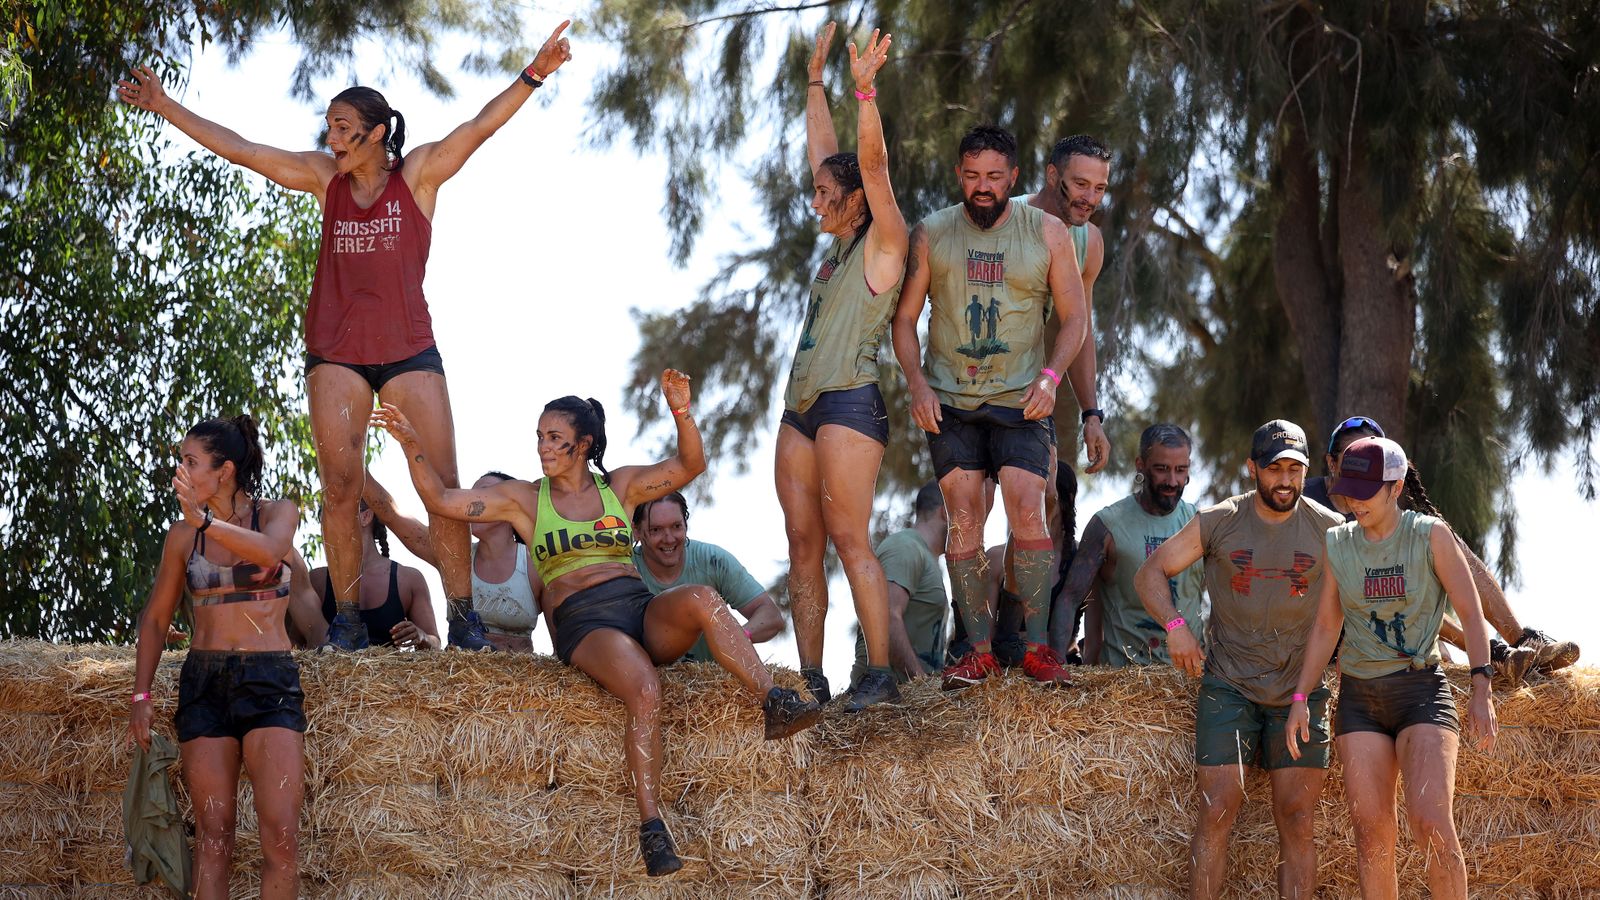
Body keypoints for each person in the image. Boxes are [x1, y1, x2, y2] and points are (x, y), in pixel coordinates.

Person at [117, 21, 576, 651]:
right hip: (337, 353)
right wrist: (166, 106)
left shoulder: (416, 177)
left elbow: (478, 127)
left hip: (410, 348)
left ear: (376, 133)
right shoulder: (323, 180)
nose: (330, 139)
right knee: (339, 483)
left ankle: (464, 613)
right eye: (328, 127)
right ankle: (351, 619)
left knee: (440, 485)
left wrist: (534, 73)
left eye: (342, 128)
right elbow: (244, 149)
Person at [370, 370, 821, 877]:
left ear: (583, 445)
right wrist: (411, 444)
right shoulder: (524, 499)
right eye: (539, 436)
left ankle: (773, 700)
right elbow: (442, 502)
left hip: (635, 605)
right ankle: (652, 827)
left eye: (554, 438)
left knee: (701, 598)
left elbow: (691, 463)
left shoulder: (621, 487)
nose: (543, 446)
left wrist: (681, 412)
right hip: (584, 622)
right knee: (645, 688)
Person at [893, 124, 1090, 689]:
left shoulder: (1048, 232)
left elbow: (1075, 318)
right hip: (951, 399)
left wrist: (1053, 378)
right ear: (959, 174)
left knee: (1028, 504)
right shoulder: (932, 233)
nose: (983, 188)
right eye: (973, 176)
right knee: (963, 512)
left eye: (994, 177)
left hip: (1022, 398)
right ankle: (976, 649)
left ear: (1015, 179)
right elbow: (905, 321)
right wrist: (917, 385)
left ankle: (1036, 649)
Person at [1135, 420, 1344, 900]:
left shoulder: (1331, 530)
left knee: (1297, 818)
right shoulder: (1220, 520)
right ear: (1253, 469)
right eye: (1274, 469)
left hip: (1302, 688)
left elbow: (1360, 602)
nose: (1286, 481)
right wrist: (1175, 625)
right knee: (1216, 809)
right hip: (1230, 686)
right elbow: (1150, 573)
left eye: (1296, 469)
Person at [1287, 436, 1498, 898]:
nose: (1353, 500)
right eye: (1348, 488)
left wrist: (1481, 686)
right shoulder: (1338, 542)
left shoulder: (1430, 536)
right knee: (1372, 837)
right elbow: (1326, 626)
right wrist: (1301, 697)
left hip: (1420, 691)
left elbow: (1470, 612)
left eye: (1366, 490)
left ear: (1396, 486)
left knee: (1431, 823)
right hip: (1360, 699)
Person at [779, 23, 909, 711]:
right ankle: (810, 677)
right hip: (799, 404)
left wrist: (864, 91)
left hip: (851, 403)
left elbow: (871, 167)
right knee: (803, 543)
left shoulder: (884, 243)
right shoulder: (835, 243)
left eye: (827, 193)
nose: (816, 198)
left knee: (848, 538)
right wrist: (814, 81)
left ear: (854, 200)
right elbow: (824, 156)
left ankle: (879, 675)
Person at [128, 416, 304, 900]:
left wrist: (206, 521)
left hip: (269, 681)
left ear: (224, 470)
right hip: (204, 682)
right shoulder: (182, 537)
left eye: (190, 463)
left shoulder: (277, 512)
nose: (179, 473)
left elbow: (271, 553)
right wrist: (141, 693)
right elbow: (156, 619)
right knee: (213, 835)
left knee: (281, 839)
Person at [1306, 415, 1579, 683]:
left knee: (1442, 548)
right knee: (1395, 586)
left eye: (1373, 450)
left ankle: (1521, 640)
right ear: (1332, 463)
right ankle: (1496, 653)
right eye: (1354, 452)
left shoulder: (1387, 511)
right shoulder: (1307, 500)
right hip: (1334, 622)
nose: (1365, 457)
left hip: (1389, 615)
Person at [1060, 424, 1206, 666]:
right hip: (1124, 681)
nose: (1172, 481)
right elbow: (1071, 598)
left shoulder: (1201, 524)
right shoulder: (1107, 524)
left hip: (1188, 680)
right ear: (1141, 465)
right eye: (1161, 469)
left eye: (1181, 470)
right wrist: (1055, 662)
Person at [366, 470, 546, 652]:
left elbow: (561, 636)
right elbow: (391, 513)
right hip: (461, 675)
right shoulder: (452, 556)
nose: (470, 501)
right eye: (470, 495)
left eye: (484, 494)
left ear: (510, 506)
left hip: (517, 677)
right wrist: (355, 466)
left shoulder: (535, 563)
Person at [630, 492, 784, 663]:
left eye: (676, 526)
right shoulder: (623, 569)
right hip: (649, 682)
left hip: (713, 683)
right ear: (636, 531)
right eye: (656, 530)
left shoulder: (713, 560)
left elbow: (771, 616)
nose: (669, 538)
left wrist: (737, 639)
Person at [850, 481, 950, 686]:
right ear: (945, 513)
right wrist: (921, 684)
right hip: (886, 705)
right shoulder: (905, 546)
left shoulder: (928, 558)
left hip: (912, 705)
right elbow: (885, 615)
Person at [308, 501, 439, 649]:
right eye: (323, 518)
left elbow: (435, 643)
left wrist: (422, 636)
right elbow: (296, 645)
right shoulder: (316, 580)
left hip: (390, 672)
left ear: (366, 516)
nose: (326, 525)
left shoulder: (409, 580)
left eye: (333, 514)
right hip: (330, 672)